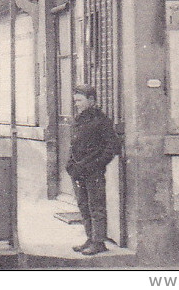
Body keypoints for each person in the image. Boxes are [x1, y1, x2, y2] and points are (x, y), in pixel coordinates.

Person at [66, 84, 121, 256]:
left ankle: (99, 242)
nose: (77, 104)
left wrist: (97, 164)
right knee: (83, 205)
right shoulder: (79, 119)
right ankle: (90, 238)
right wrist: (70, 164)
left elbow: (113, 146)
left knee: (96, 206)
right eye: (75, 101)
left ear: (91, 100)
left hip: (93, 171)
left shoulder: (101, 120)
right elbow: (75, 144)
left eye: (80, 100)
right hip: (78, 170)